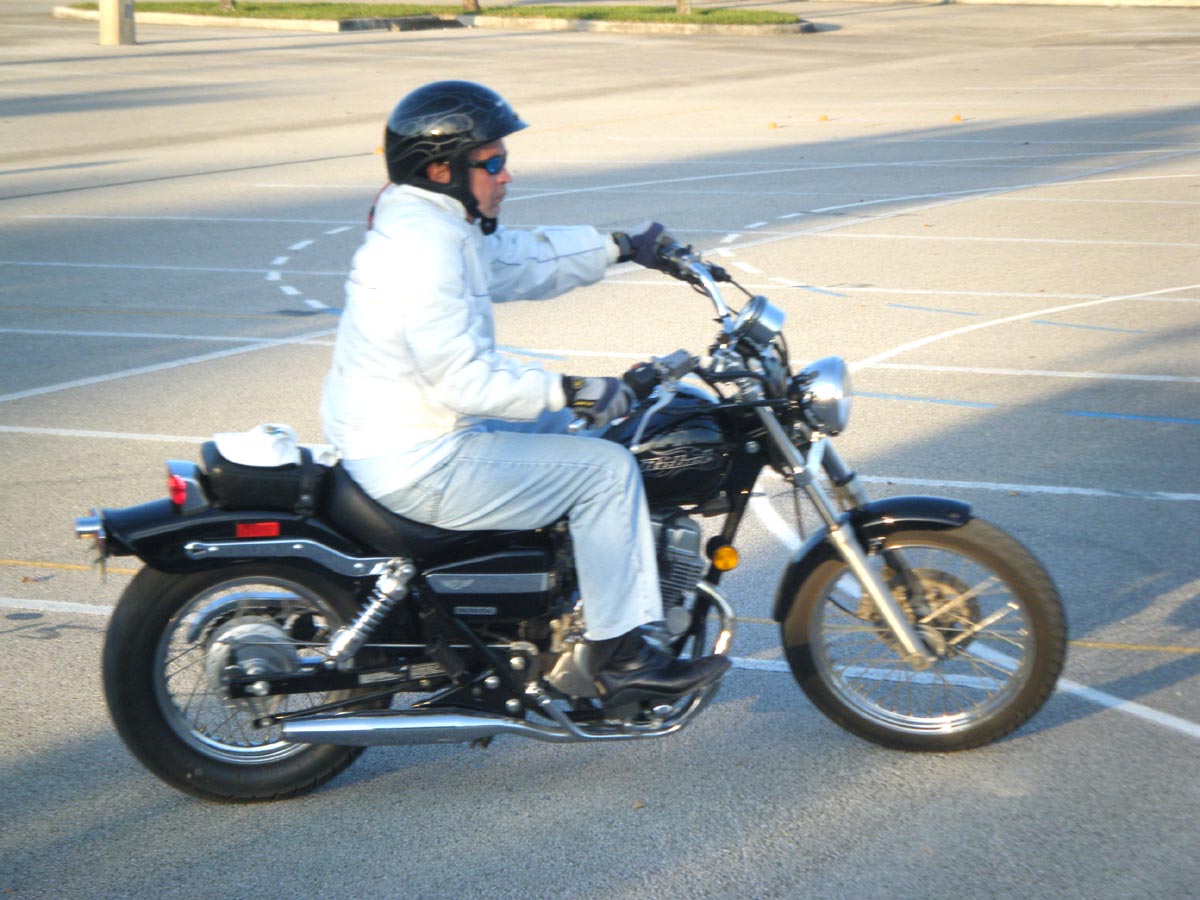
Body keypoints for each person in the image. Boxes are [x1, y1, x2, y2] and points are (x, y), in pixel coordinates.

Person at [320, 81, 728, 705]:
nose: (506, 176)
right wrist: (578, 391)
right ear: (440, 169)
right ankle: (622, 657)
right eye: (492, 163)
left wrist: (620, 247)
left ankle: (564, 608)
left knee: (590, 434)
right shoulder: (423, 252)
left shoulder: (437, 227)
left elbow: (515, 261)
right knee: (607, 472)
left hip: (418, 431)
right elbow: (464, 380)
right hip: (420, 456)